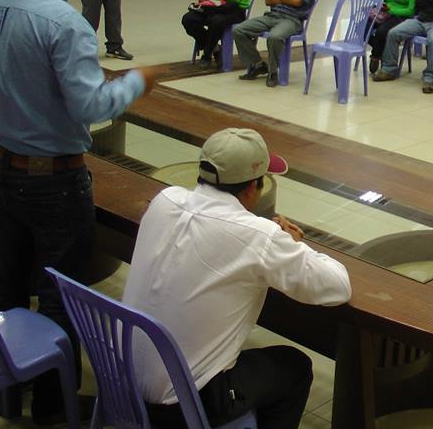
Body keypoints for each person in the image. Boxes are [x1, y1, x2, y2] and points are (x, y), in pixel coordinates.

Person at [0, 0, 155, 425]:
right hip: (54, 184)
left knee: (6, 288)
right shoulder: (64, 23)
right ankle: (55, 412)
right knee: (59, 298)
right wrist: (136, 83)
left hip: (2, 171)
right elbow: (92, 107)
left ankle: (6, 394)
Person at [123, 128, 351, 429]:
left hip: (120, 379)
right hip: (179, 408)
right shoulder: (258, 236)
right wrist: (294, 244)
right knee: (294, 366)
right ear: (251, 189)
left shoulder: (165, 199)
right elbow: (337, 286)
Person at [368, 0, 418, 74]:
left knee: (381, 31)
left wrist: (392, 9)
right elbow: (383, 0)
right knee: (361, 26)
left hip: (400, 16)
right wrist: (382, 6)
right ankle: (381, 49)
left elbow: (410, 11)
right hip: (385, 13)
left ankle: (375, 55)